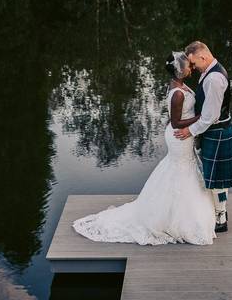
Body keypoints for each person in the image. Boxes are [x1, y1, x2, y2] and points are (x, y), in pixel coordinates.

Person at [71, 52, 216, 245]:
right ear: (181, 71)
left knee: (180, 170)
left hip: (184, 135)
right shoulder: (178, 94)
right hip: (179, 135)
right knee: (180, 169)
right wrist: (201, 118)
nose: (190, 67)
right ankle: (171, 218)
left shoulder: (179, 85)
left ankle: (174, 212)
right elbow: (175, 122)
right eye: (188, 65)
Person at [173, 41, 232, 233]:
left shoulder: (214, 79)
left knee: (217, 180)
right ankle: (221, 210)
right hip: (219, 130)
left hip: (216, 131)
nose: (192, 68)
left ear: (203, 57)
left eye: (194, 64)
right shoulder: (210, 71)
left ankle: (221, 218)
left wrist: (190, 131)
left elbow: (210, 117)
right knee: (217, 178)